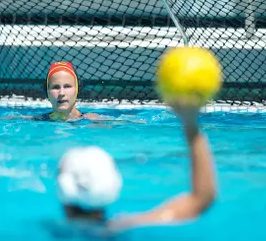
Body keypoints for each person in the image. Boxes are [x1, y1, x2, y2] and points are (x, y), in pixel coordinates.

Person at [55, 99, 217, 230]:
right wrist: (190, 123)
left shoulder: (46, 230)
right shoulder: (121, 227)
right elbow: (201, 199)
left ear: (62, 187)